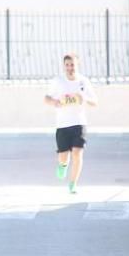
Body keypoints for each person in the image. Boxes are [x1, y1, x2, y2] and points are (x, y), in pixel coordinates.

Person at [44, 53, 97, 194]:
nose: (70, 68)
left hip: (79, 123)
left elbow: (95, 102)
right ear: (64, 66)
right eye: (67, 65)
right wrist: (54, 102)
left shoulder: (83, 81)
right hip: (62, 125)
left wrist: (83, 99)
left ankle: (73, 184)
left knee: (77, 153)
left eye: (72, 65)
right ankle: (62, 165)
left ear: (77, 65)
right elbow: (46, 98)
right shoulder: (58, 81)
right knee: (64, 156)